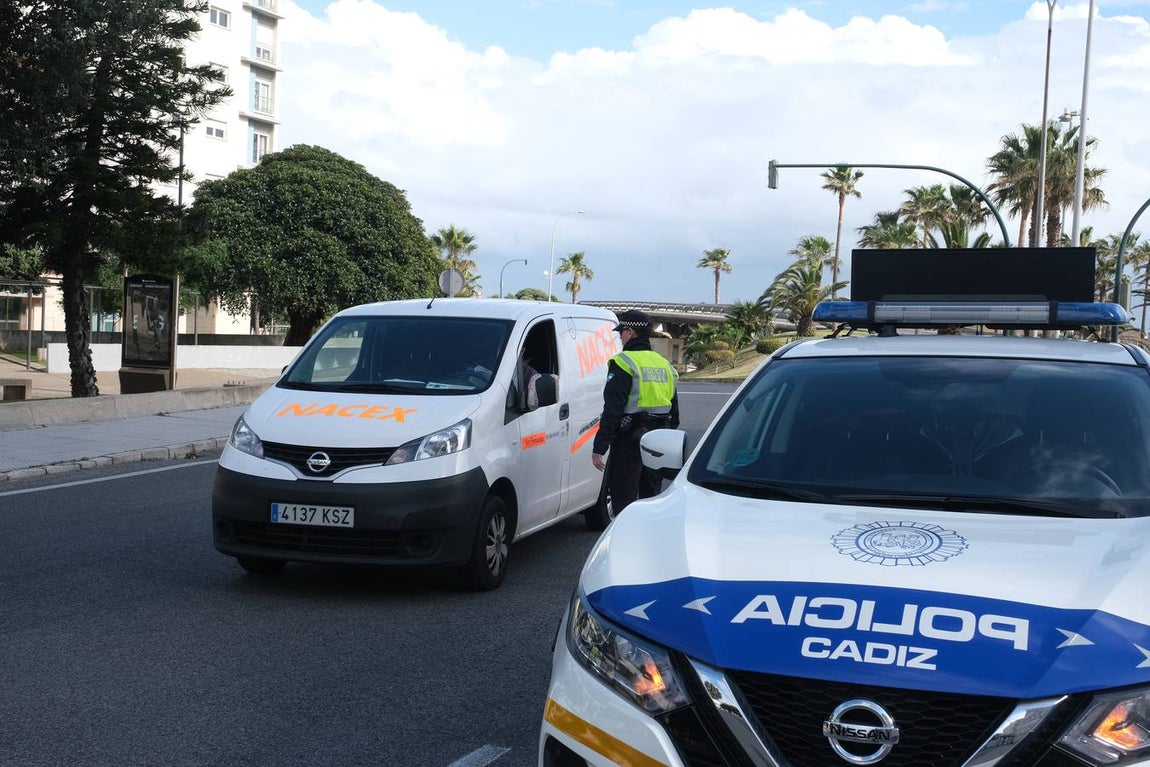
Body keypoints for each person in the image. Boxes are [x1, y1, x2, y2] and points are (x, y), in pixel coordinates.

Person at [592, 309, 680, 513]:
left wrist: (600, 447)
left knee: (624, 497)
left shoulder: (623, 362)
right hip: (658, 441)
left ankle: (625, 532)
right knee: (652, 498)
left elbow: (613, 409)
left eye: (621, 332)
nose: (620, 337)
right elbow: (674, 414)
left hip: (628, 442)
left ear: (630, 332)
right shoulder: (665, 365)